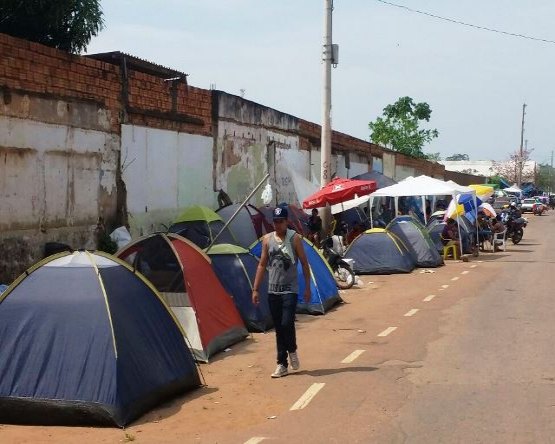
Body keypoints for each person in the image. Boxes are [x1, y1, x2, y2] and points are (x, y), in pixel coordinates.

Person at [252, 206, 311, 378]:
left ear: (287, 222)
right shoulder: (267, 240)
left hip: (290, 290)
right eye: (275, 221)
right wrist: (255, 289)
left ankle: (292, 350)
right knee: (278, 327)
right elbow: (262, 264)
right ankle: (281, 363)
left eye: (281, 221)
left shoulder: (295, 239)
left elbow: (305, 263)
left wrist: (307, 287)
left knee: (286, 323)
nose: (278, 225)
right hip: (273, 290)